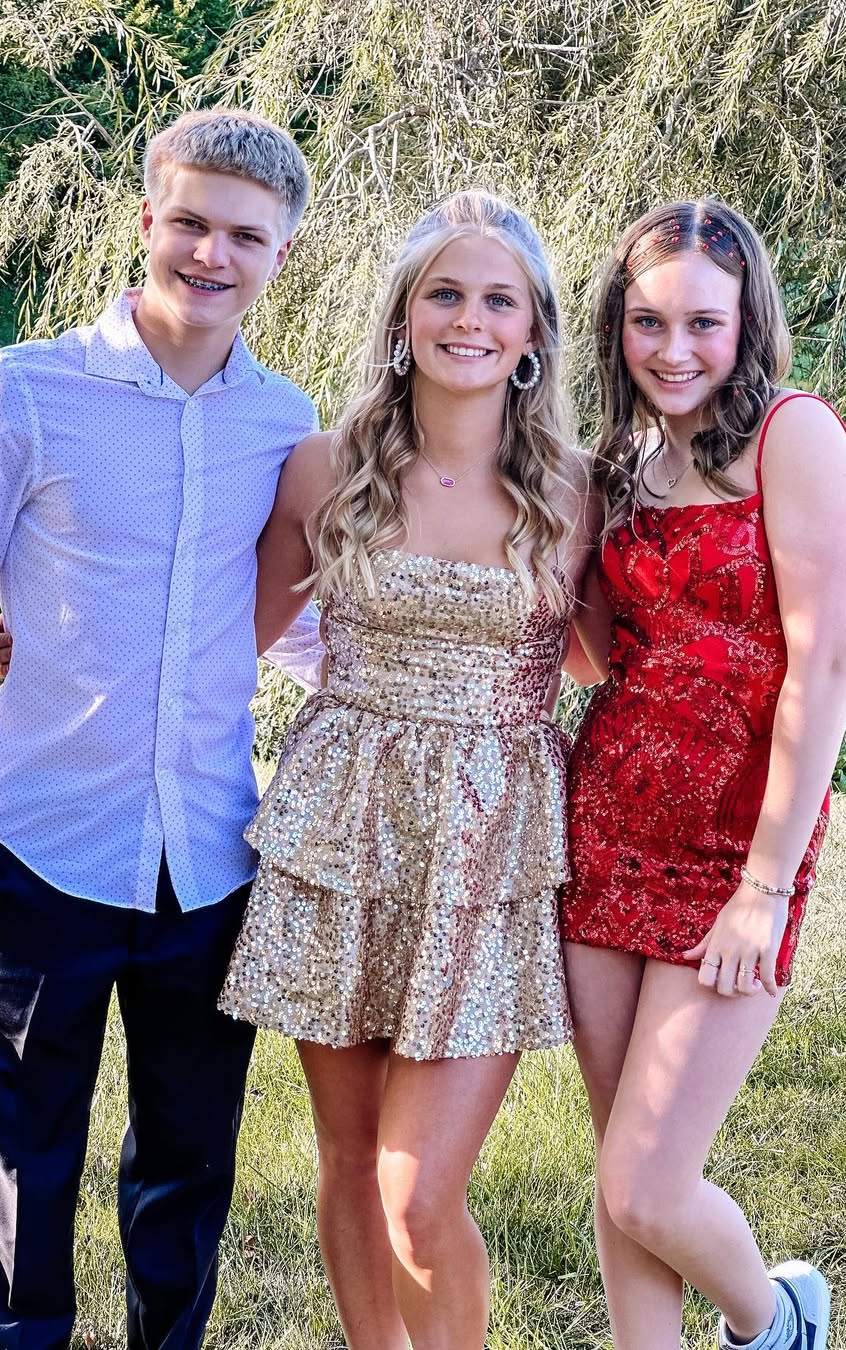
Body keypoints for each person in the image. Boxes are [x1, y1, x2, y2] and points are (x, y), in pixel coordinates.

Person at [0, 109, 325, 1349]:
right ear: (146, 221)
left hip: (212, 863)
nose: (211, 254)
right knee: (24, 1162)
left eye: (245, 236)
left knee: (188, 1164)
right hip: (40, 856)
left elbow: (278, 619)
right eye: (189, 222)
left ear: (281, 253)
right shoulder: (22, 392)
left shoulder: (284, 424)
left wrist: (404, 676)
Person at [216, 190, 594, 1349]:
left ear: (533, 333)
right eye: (445, 294)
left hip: (486, 850)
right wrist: (62, 638)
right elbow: (224, 642)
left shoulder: (577, 492)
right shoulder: (322, 468)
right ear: (402, 316)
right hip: (342, 829)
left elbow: (622, 664)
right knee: (347, 1156)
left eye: (498, 301)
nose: (469, 321)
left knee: (419, 1193)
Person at [561, 201, 846, 1350]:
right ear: (617, 326)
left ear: (749, 322)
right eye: (648, 321)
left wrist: (766, 886)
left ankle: (777, 1321)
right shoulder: (621, 464)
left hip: (736, 850)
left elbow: (826, 664)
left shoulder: (793, 435)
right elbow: (597, 655)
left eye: (703, 321)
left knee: (650, 1181)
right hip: (605, 826)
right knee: (621, 1168)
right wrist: (541, 544)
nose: (674, 348)